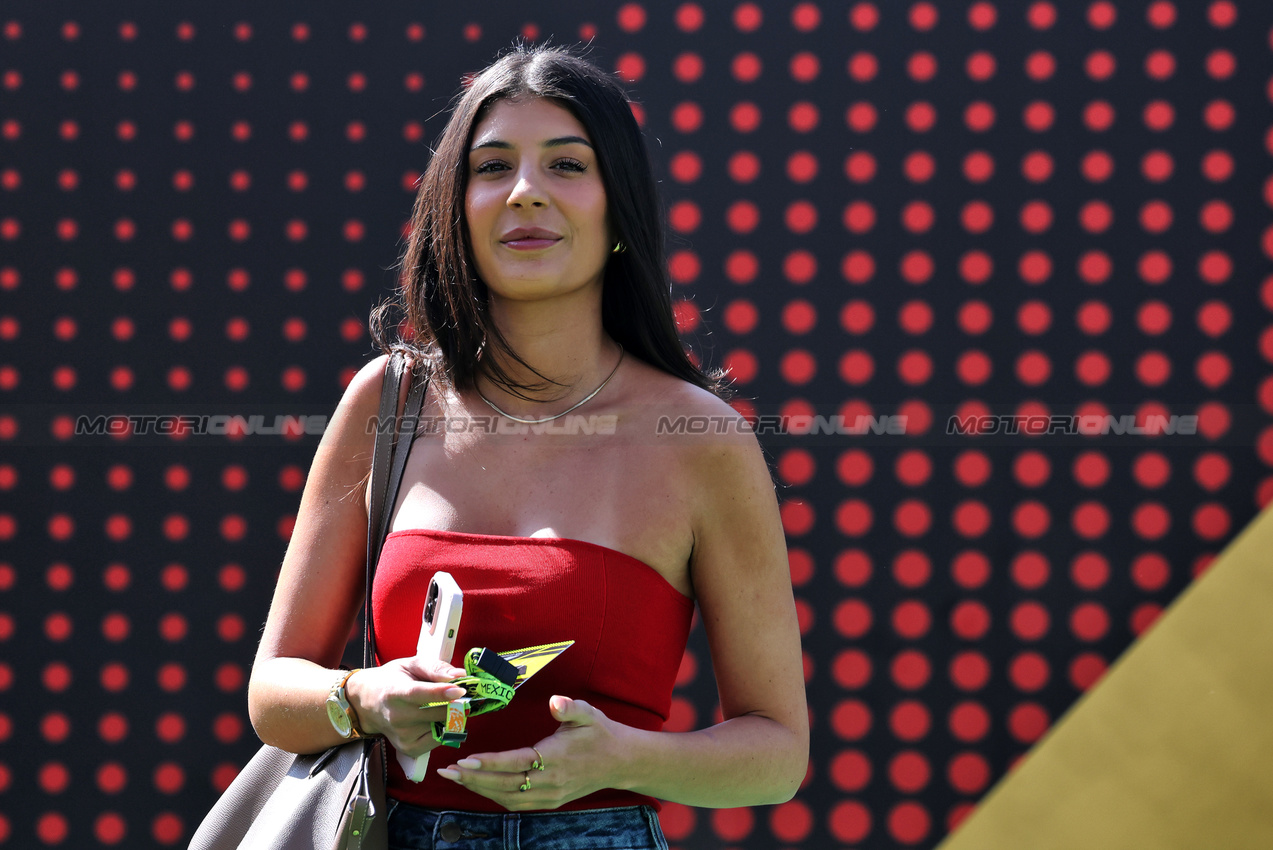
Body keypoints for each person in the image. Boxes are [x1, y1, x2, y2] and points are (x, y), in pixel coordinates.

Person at [247, 43, 808, 848]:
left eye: (567, 165)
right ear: (454, 207)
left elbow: (777, 753)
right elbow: (273, 692)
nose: (524, 193)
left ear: (620, 212)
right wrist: (363, 697)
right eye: (492, 167)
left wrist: (622, 757)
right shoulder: (388, 401)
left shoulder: (701, 437)